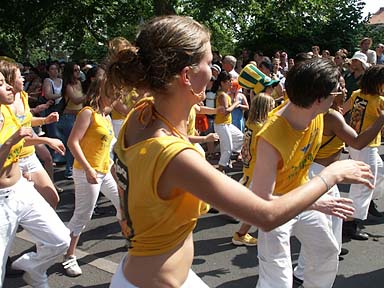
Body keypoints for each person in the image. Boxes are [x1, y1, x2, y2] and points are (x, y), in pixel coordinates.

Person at [105, 15, 373, 288]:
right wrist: (334, 174)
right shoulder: (173, 155)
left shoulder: (142, 114)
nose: (216, 71)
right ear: (187, 75)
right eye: (210, 63)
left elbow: (120, 169)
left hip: (150, 274)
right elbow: (265, 215)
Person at [253, 59, 364, 288]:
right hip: (276, 211)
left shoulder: (315, 113)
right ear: (319, 99)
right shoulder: (271, 137)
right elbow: (261, 201)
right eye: (336, 91)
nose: (340, 94)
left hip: (303, 199)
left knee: (327, 252)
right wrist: (315, 202)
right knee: (277, 281)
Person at [293, 75, 384, 284]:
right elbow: (358, 142)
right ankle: (305, 275)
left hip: (316, 172)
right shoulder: (331, 116)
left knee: (327, 230)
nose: (344, 90)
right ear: (328, 94)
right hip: (322, 175)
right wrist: (381, 120)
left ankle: (306, 272)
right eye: (339, 87)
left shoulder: (311, 110)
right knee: (323, 231)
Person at [0, 71, 70, 288]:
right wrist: (11, 141)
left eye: (5, 81)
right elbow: (12, 142)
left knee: (60, 240)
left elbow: (22, 139)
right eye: (1, 84)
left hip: (21, 187)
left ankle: (34, 267)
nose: (10, 87)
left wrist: (46, 139)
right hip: (2, 201)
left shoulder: (8, 110)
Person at [62, 68, 123, 277]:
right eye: (113, 91)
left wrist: (116, 174)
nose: (117, 96)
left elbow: (107, 152)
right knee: (83, 215)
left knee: (122, 204)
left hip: (104, 171)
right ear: (102, 91)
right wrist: (88, 169)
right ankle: (69, 255)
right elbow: (73, 142)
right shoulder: (88, 112)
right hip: (87, 172)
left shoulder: (105, 117)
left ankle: (132, 241)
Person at [0, 61, 66, 208]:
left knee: (52, 198)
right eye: (19, 76)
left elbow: (27, 119)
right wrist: (47, 140)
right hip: (13, 160)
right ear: (10, 80)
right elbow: (13, 139)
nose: (24, 79)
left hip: (29, 155)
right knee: (23, 207)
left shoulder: (23, 96)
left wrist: (45, 120)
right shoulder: (3, 107)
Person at [344, 65, 384, 239]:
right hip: (366, 146)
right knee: (363, 184)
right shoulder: (379, 100)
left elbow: (342, 110)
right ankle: (350, 223)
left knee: (379, 173)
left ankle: (367, 205)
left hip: (354, 142)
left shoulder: (356, 94)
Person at [232, 93, 275, 246]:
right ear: (265, 108)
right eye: (271, 106)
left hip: (250, 167)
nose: (273, 109)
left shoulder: (251, 123)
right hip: (258, 169)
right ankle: (240, 234)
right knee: (256, 205)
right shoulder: (262, 128)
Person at [59, 62, 86, 179]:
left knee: (81, 144)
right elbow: (75, 100)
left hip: (79, 116)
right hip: (69, 117)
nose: (78, 72)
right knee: (72, 144)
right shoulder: (67, 86)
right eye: (75, 70)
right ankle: (69, 170)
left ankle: (77, 168)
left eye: (79, 70)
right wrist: (90, 94)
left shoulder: (80, 83)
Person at [212, 71, 243, 172]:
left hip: (226, 125)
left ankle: (224, 158)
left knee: (241, 138)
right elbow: (226, 111)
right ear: (222, 83)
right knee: (227, 149)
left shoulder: (224, 94)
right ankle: (220, 170)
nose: (231, 83)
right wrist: (236, 103)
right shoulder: (223, 95)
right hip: (221, 125)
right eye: (228, 81)